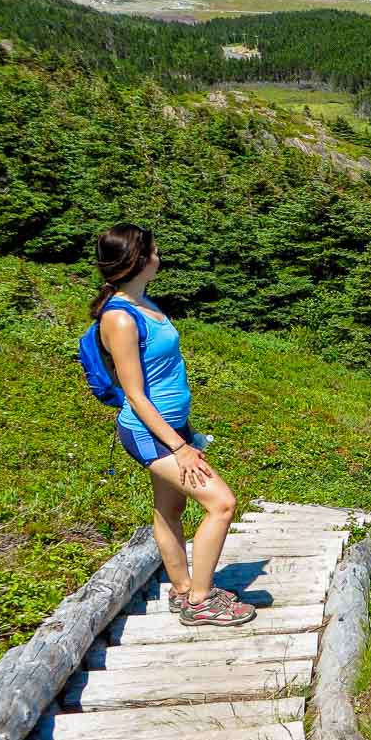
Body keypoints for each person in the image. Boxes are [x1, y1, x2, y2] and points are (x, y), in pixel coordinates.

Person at [92, 224, 255, 627]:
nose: (160, 257)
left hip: (172, 428)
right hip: (150, 434)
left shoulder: (144, 302)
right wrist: (179, 447)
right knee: (221, 503)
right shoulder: (121, 319)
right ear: (139, 259)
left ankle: (182, 590)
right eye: (155, 251)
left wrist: (186, 429)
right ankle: (201, 601)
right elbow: (135, 394)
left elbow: (162, 375)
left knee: (170, 508)